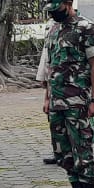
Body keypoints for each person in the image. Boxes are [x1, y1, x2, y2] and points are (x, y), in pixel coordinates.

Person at [42, 0, 94, 188]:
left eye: (57, 8)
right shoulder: (53, 30)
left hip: (78, 101)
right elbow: (50, 67)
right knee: (62, 151)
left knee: (82, 149)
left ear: (68, 3)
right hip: (57, 103)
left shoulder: (87, 28)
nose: (53, 13)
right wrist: (47, 97)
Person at [35, 19, 61, 165]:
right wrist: (46, 96)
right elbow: (47, 58)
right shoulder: (51, 26)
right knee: (54, 122)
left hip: (74, 90)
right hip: (53, 86)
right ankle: (58, 152)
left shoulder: (81, 28)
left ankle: (74, 154)